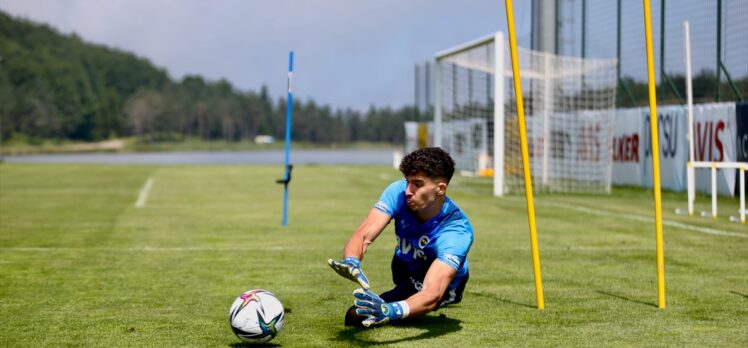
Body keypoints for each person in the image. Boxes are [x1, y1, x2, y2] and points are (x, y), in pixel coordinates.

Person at [327, 147, 474, 328]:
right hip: (404, 265)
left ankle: (411, 298)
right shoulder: (397, 192)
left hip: (436, 280)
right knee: (399, 273)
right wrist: (351, 260)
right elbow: (363, 234)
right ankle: (406, 294)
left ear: (440, 188)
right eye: (407, 182)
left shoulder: (456, 231)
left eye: (417, 184)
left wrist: (390, 310)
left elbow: (432, 294)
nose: (408, 191)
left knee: (356, 316)